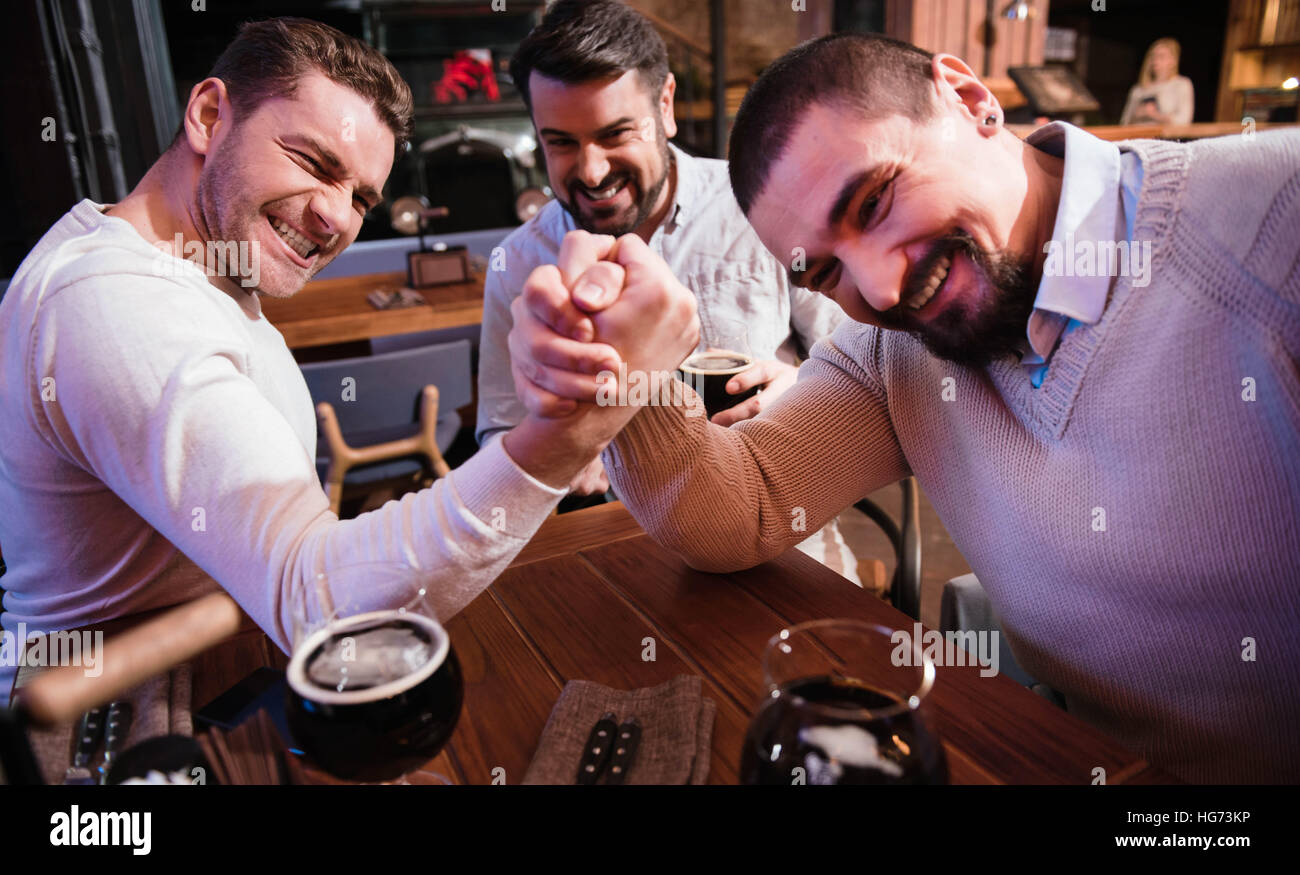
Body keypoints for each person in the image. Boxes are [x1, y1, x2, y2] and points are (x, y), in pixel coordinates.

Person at [508, 34, 1300, 783]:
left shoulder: (1277, 220)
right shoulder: (897, 349)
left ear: (967, 97)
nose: (881, 291)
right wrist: (623, 372)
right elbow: (741, 506)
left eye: (877, 200)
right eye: (825, 274)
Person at [0, 17, 691, 704]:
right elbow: (319, 604)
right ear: (211, 115)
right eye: (315, 163)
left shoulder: (200, 271)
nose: (336, 216)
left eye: (361, 196)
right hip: (107, 725)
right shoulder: (113, 301)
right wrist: (579, 426)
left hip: (217, 679)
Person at [475, 0, 860, 580]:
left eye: (615, 134)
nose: (593, 171)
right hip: (602, 555)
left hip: (773, 530)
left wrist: (800, 389)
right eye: (560, 143)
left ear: (666, 105)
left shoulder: (758, 207)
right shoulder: (516, 262)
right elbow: (500, 434)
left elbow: (866, 367)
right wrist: (553, 454)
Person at [1120, 38, 1194, 125]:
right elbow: (1123, 123)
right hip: (1138, 137)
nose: (1155, 60)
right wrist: (1137, 115)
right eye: (1153, 56)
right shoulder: (1138, 89)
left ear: (1173, 61)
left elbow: (1184, 120)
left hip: (1165, 137)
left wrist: (1154, 115)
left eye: (1161, 56)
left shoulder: (1181, 84)